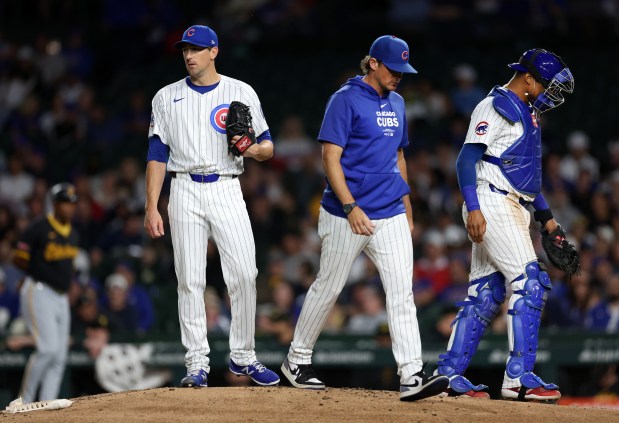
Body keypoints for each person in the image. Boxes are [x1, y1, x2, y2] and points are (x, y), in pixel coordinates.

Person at [280, 35, 449, 401]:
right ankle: (297, 360)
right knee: (328, 287)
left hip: (389, 210)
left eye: (403, 70)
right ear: (373, 63)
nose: (399, 76)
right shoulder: (345, 99)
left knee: (402, 292)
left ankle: (411, 375)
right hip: (346, 214)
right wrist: (349, 206)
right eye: (393, 68)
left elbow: (399, 156)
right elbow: (330, 158)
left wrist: (407, 204)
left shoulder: (400, 102)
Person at [434, 49, 575, 401]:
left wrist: (547, 219)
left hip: (511, 201)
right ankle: (519, 378)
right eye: (545, 84)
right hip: (491, 202)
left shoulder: (526, 112)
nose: (548, 92)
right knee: (530, 282)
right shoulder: (494, 105)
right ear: (528, 78)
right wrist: (473, 206)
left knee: (487, 291)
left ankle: (447, 375)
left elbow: (522, 175)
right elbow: (466, 159)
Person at [144, 25, 279, 388]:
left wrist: (249, 149)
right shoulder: (166, 96)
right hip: (184, 187)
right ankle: (196, 364)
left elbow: (268, 147)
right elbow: (157, 154)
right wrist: (151, 206)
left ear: (214, 51)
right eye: (185, 49)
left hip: (227, 186)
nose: (189, 55)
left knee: (245, 274)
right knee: (190, 279)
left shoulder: (240, 91)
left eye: (197, 49)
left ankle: (244, 356)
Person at [12, 183, 78, 403]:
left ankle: (48, 402)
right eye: (65, 203)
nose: (69, 208)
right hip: (39, 290)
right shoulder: (39, 228)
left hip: (61, 297)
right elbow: (18, 255)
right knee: (48, 349)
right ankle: (24, 400)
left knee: (59, 355)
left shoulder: (73, 234)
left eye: (72, 203)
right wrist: (31, 271)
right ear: (55, 204)